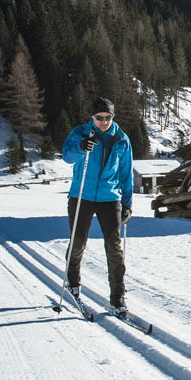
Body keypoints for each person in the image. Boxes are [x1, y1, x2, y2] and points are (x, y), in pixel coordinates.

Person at [62, 96, 133, 315]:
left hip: (109, 198)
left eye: (107, 117)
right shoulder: (80, 133)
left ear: (113, 116)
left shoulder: (122, 139)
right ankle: (73, 282)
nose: (103, 121)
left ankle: (118, 297)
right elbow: (67, 156)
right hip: (81, 195)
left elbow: (126, 173)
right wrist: (81, 148)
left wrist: (127, 203)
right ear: (92, 117)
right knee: (77, 242)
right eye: (99, 117)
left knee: (114, 249)